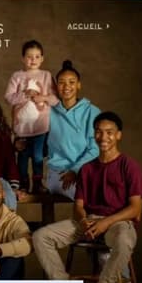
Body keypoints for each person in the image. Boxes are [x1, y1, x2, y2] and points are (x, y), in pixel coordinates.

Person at [32, 111, 142, 283]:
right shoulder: (87, 169)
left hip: (118, 222)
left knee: (124, 240)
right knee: (41, 236)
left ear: (119, 135)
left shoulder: (129, 166)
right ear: (94, 135)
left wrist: (105, 223)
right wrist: (84, 219)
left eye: (110, 132)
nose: (104, 137)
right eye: (99, 132)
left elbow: (135, 209)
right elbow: (78, 206)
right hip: (90, 220)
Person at [4, 40, 58, 193]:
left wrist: (43, 98)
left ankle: (38, 182)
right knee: (22, 158)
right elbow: (8, 97)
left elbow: (55, 100)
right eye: (29, 57)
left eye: (36, 56)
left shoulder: (46, 76)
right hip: (21, 128)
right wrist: (24, 95)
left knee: (38, 157)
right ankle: (23, 182)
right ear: (22, 58)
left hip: (41, 127)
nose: (33, 60)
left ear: (42, 58)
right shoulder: (17, 76)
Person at [46, 60, 101, 200]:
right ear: (56, 86)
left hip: (87, 171)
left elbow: (95, 148)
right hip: (59, 174)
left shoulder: (92, 112)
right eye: (61, 82)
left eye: (71, 82)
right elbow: (38, 141)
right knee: (87, 197)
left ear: (79, 85)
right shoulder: (47, 112)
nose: (66, 87)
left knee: (110, 194)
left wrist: (76, 170)